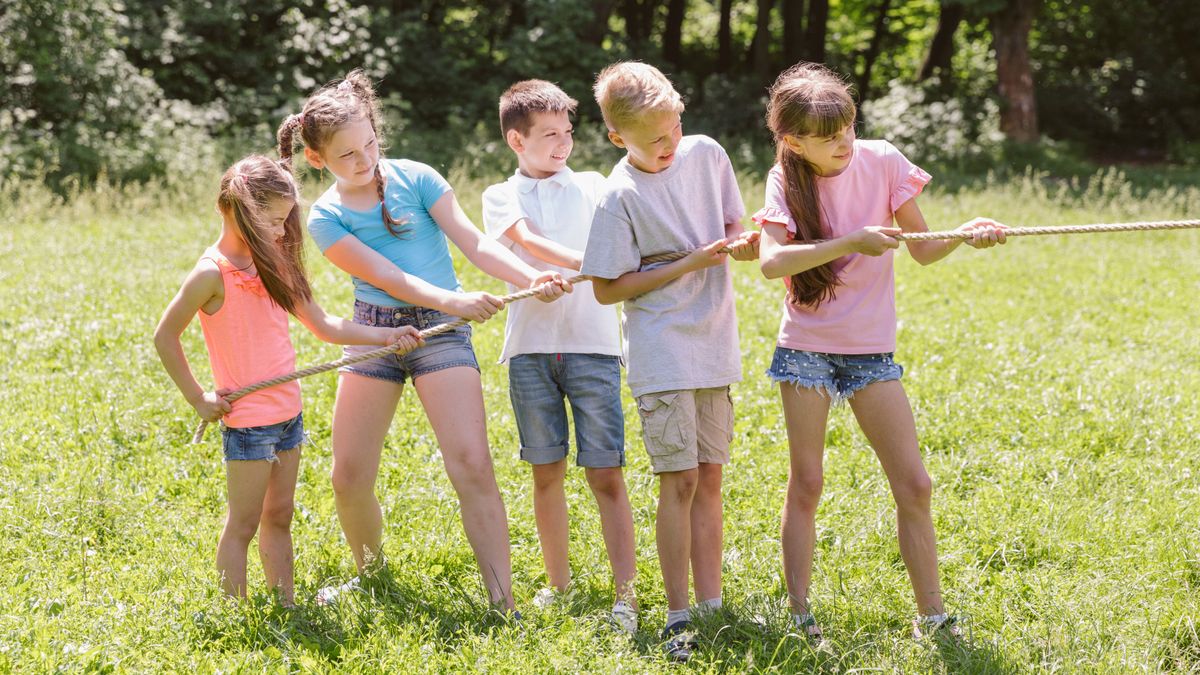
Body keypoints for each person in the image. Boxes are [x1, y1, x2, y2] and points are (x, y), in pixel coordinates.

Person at [276, 70, 568, 613]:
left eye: (370, 145)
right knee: (349, 475)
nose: (365, 160)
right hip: (375, 331)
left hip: (440, 332)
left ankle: (502, 602)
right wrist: (456, 301)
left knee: (471, 464)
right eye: (347, 156)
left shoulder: (417, 177)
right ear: (318, 160)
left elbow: (475, 244)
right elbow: (390, 278)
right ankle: (372, 575)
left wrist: (528, 280)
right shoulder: (326, 216)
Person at [753, 62, 1007, 641]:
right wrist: (850, 242)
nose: (844, 142)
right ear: (793, 141)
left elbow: (922, 248)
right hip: (807, 348)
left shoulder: (883, 159)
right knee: (809, 482)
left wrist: (966, 233)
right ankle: (797, 616)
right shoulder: (784, 180)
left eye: (847, 127)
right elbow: (771, 262)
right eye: (827, 136)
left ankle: (933, 618)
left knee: (915, 484)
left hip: (870, 351)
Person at [154, 155, 422, 606]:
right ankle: (234, 613)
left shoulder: (274, 263)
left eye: (284, 220)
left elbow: (325, 325)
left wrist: (387, 335)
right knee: (243, 522)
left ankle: (286, 605)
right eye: (272, 221)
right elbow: (165, 337)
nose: (281, 232)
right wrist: (198, 397)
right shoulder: (211, 273)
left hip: (287, 415)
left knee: (280, 514)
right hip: (248, 422)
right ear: (234, 209)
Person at [580, 61, 759, 661]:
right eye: (654, 140)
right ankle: (677, 614)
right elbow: (607, 288)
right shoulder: (619, 196)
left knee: (710, 476)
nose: (669, 145)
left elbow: (735, 223)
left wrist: (745, 239)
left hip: (715, 340)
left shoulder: (707, 154)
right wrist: (690, 262)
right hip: (661, 348)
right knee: (678, 479)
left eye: (674, 128)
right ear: (617, 138)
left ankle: (712, 607)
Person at [481, 79, 638, 632]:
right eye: (549, 134)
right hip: (530, 353)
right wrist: (576, 265)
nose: (563, 143)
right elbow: (521, 241)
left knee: (606, 474)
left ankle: (627, 595)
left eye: (568, 132)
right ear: (516, 140)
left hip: (593, 349)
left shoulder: (595, 185)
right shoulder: (502, 195)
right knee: (545, 471)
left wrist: (595, 264)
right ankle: (558, 584)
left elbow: (625, 236)